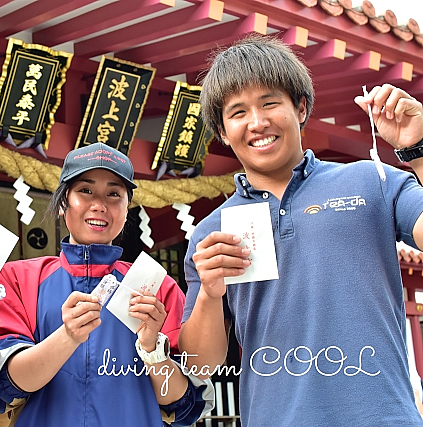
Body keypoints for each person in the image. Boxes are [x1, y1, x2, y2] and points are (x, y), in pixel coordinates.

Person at [179, 34, 423, 426]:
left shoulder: (373, 180)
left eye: (270, 102)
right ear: (223, 132)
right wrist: (209, 294)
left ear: (301, 107)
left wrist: (419, 150)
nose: (257, 123)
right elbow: (199, 366)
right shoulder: (212, 231)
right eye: (238, 112)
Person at [0, 142, 214, 426]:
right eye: (85, 190)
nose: (100, 205)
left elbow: (182, 401)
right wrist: (67, 336)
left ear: (127, 209)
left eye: (114, 194)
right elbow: (3, 385)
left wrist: (152, 348)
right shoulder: (17, 281)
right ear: (62, 203)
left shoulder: (157, 287)